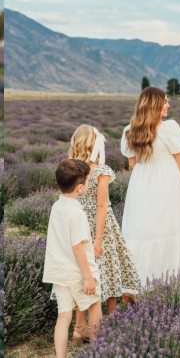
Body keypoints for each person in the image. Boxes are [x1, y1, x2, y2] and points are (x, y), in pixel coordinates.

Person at [120, 87, 180, 288]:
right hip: (167, 184)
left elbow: (132, 164)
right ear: (154, 105)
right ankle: (167, 278)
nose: (168, 105)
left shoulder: (129, 130)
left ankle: (136, 281)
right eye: (165, 101)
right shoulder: (168, 128)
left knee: (141, 230)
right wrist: (177, 185)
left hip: (140, 185)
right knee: (167, 228)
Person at [67, 125, 138, 328]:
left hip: (77, 222)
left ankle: (80, 324)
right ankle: (111, 317)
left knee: (82, 269)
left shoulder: (71, 168)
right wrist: (98, 238)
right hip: (101, 225)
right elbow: (101, 205)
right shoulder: (100, 170)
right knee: (107, 266)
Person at [43, 159, 102, 358]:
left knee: (64, 316)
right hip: (77, 272)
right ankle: (97, 349)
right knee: (95, 302)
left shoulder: (57, 206)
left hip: (59, 272)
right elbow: (78, 248)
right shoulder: (76, 213)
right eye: (86, 180)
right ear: (79, 187)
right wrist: (88, 277)